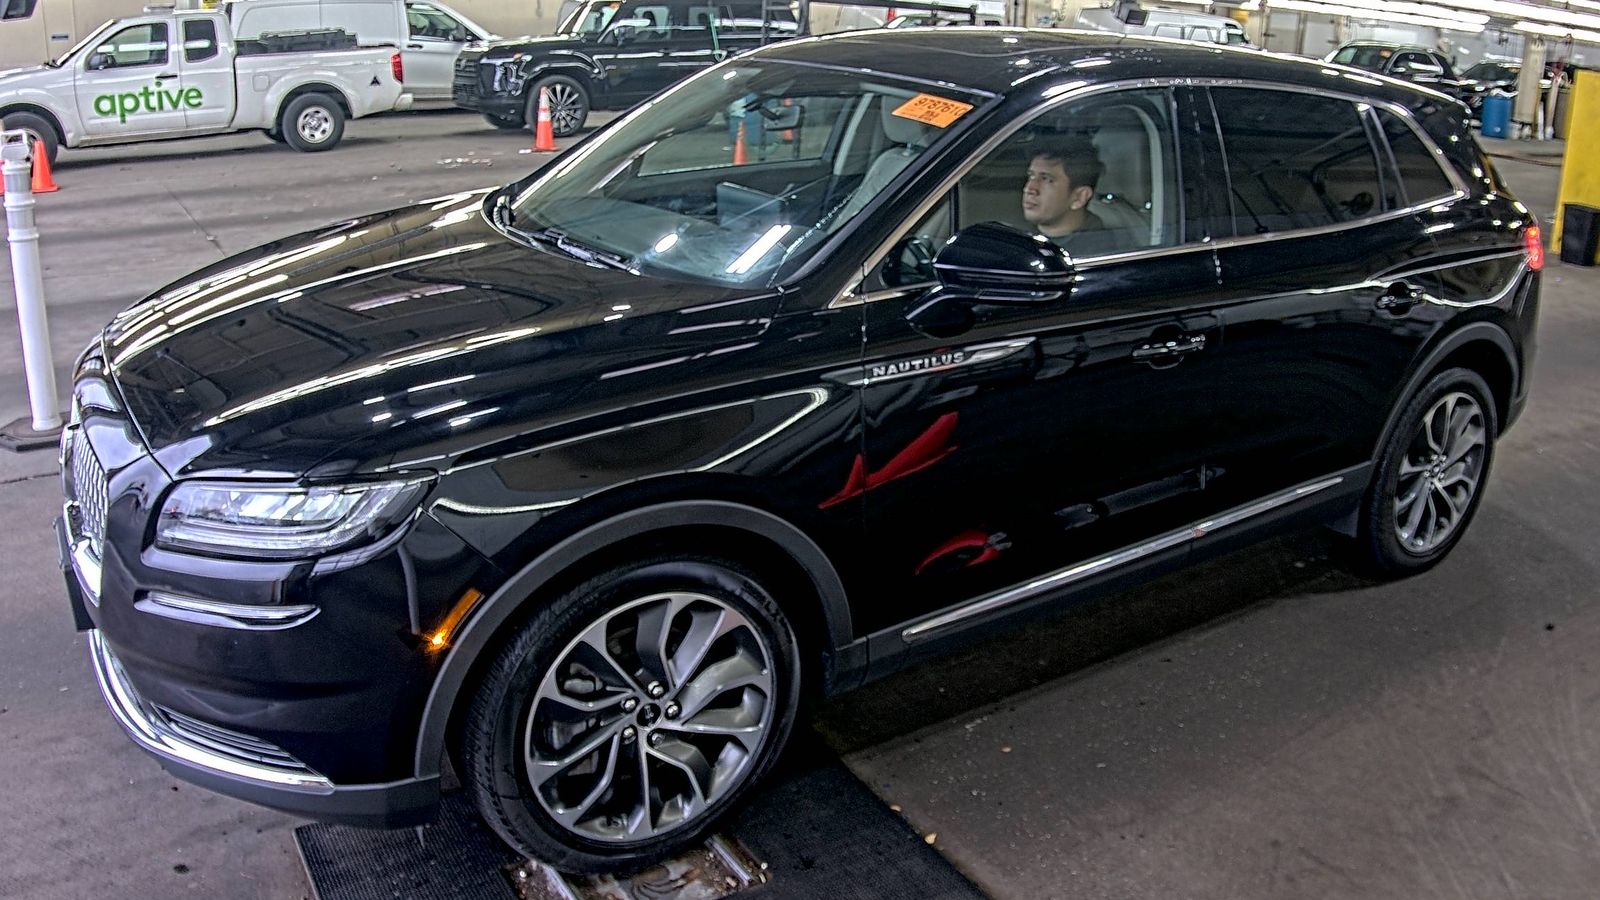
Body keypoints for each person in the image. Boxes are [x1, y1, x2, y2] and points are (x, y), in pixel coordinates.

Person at [1021, 137, 1118, 257]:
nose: (1029, 189)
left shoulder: (1098, 255)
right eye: (1031, 176)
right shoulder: (1019, 235)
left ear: (1079, 197)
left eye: (1046, 179)